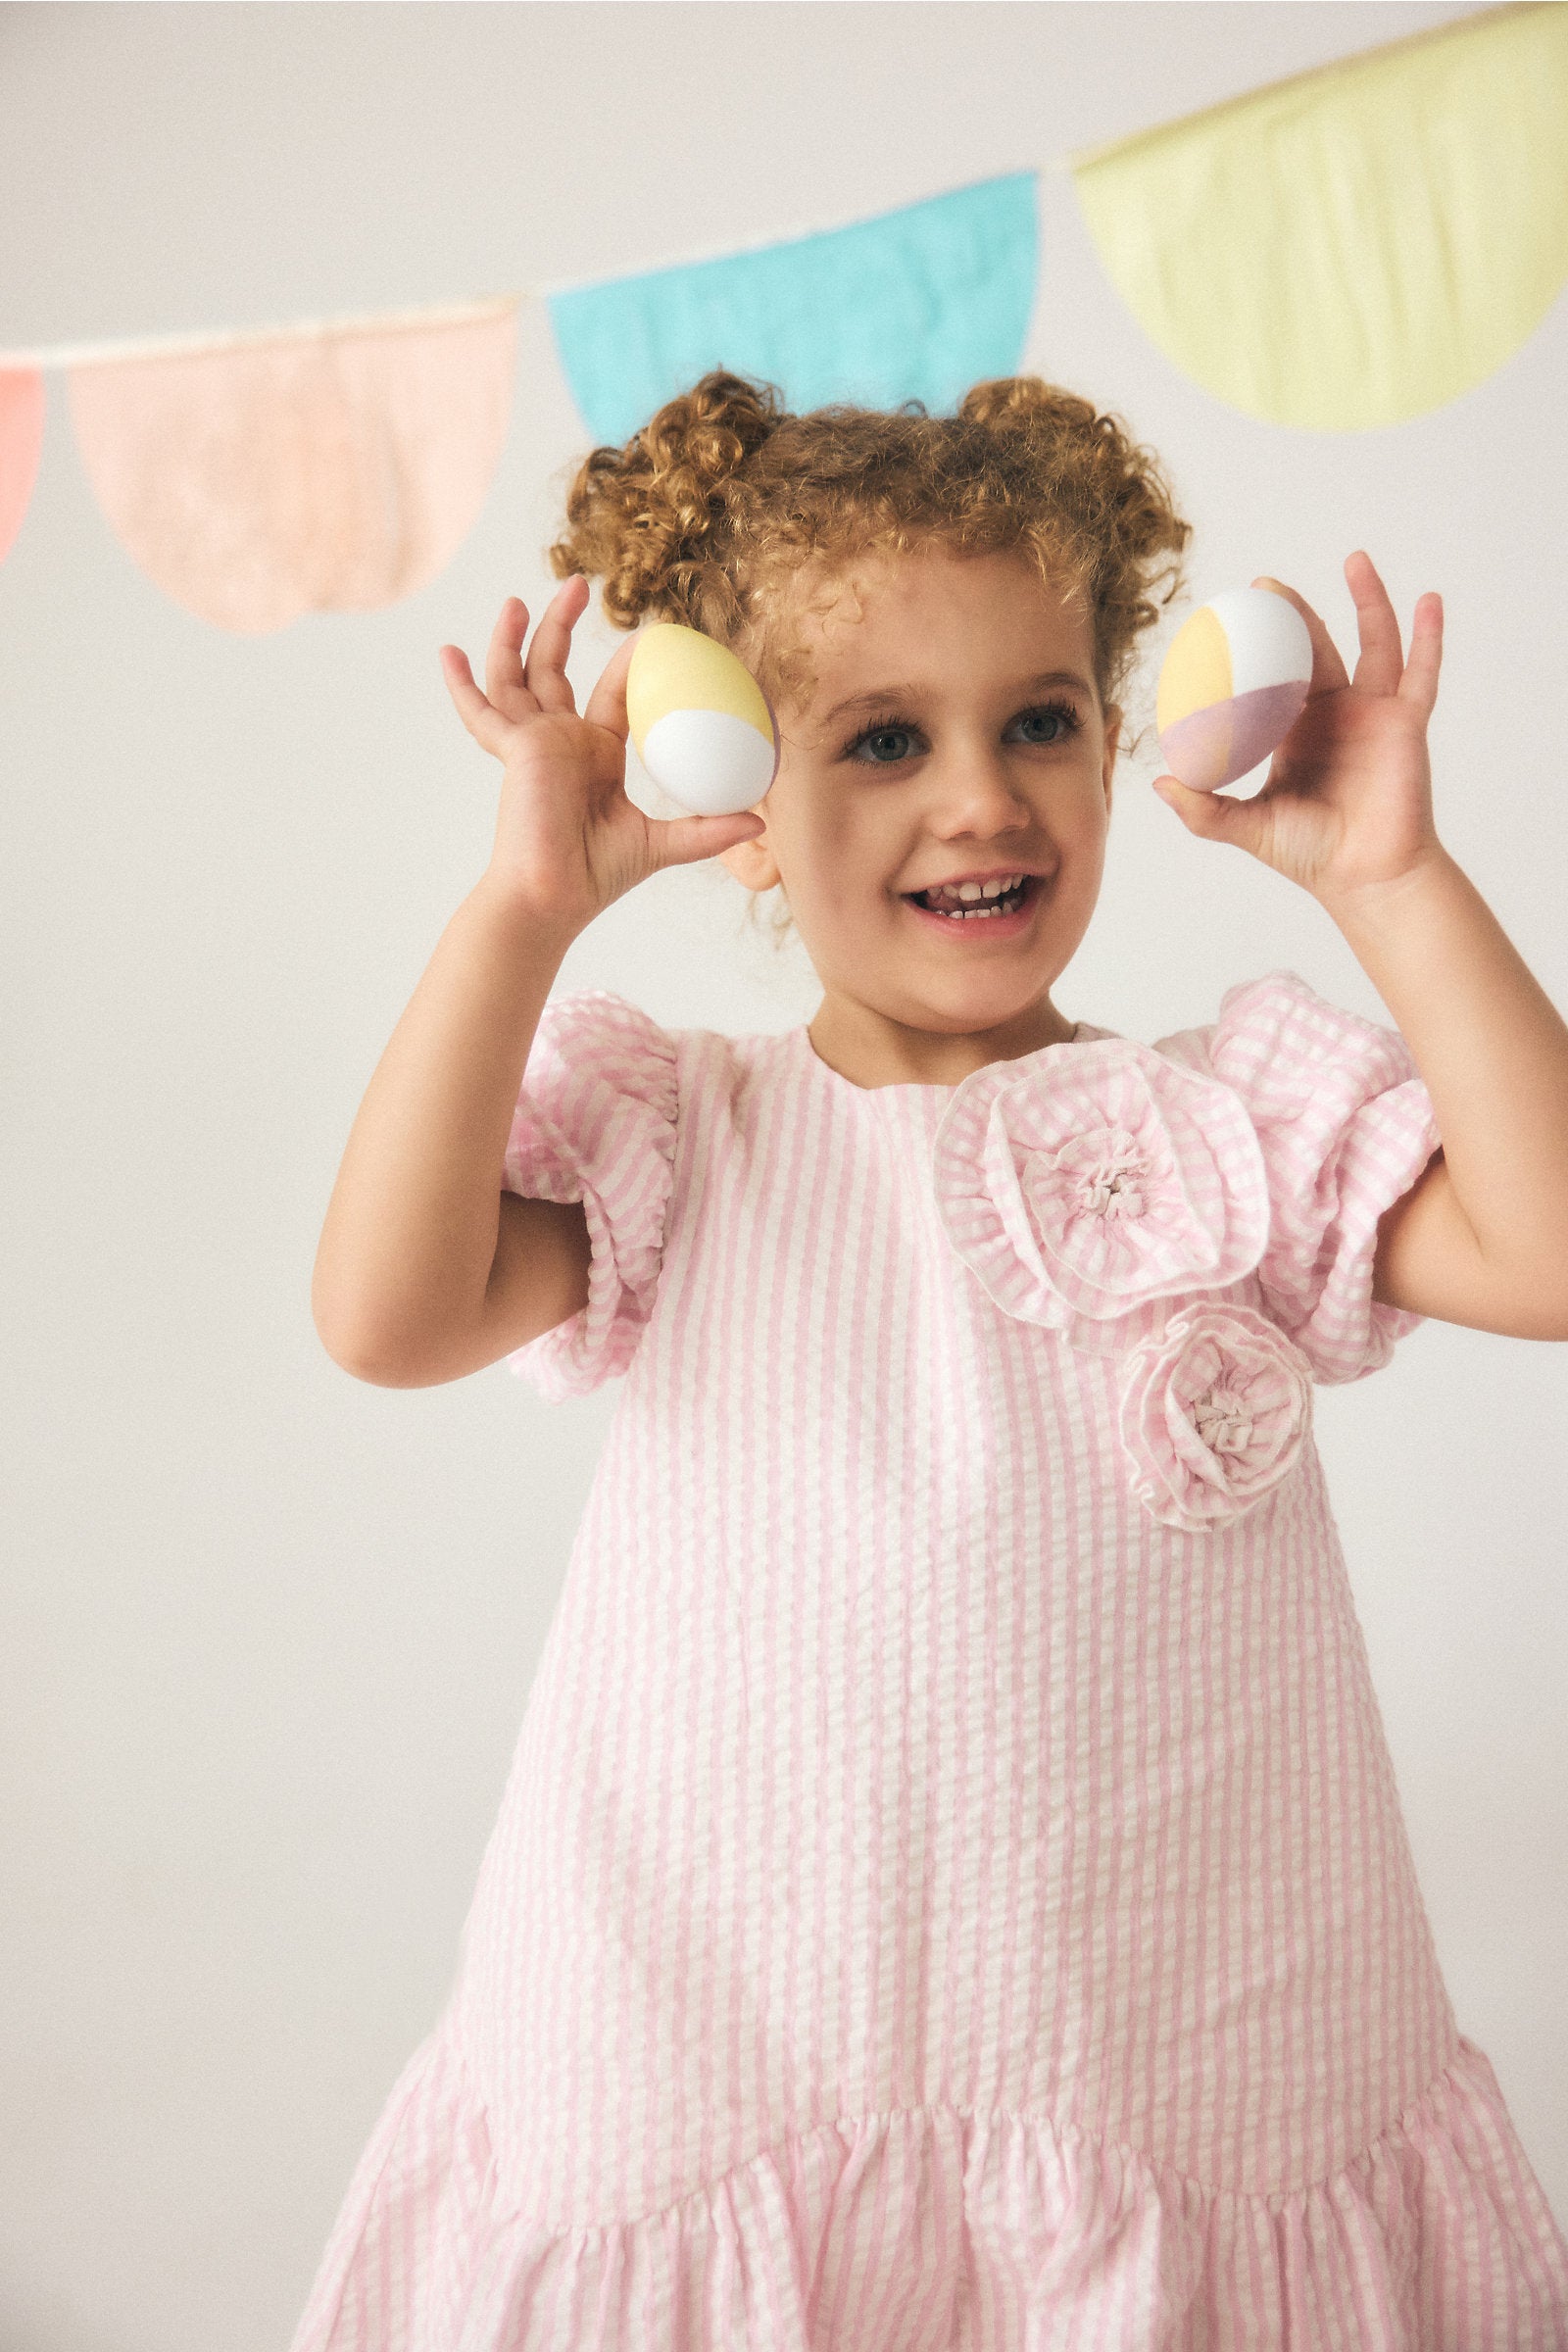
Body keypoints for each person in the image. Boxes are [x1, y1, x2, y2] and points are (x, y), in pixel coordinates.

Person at [291, 370, 1568, 2348]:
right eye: (881, 739)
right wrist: (517, 914)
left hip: (1170, 2049)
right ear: (734, 805)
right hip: (727, 2032)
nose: (978, 797)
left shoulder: (1220, 1121)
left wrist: (1388, 879)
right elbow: (385, 1315)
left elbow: (1547, 1251)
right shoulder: (689, 1140)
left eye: (1037, 721)